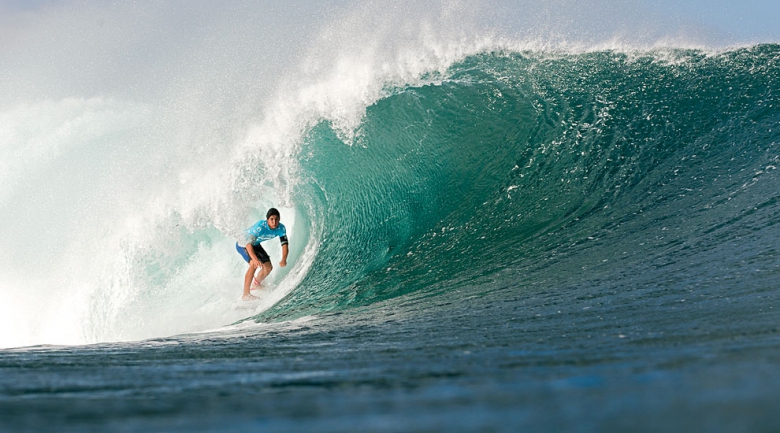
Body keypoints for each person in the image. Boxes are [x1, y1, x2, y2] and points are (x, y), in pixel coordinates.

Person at [236, 208, 288, 300]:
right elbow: (248, 245)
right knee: (253, 264)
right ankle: (246, 294)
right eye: (271, 219)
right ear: (267, 219)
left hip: (255, 244)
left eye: (276, 219)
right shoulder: (260, 227)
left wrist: (284, 259)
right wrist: (255, 260)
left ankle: (256, 284)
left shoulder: (281, 228)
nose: (274, 221)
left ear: (279, 219)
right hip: (243, 244)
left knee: (268, 268)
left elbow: (284, 245)